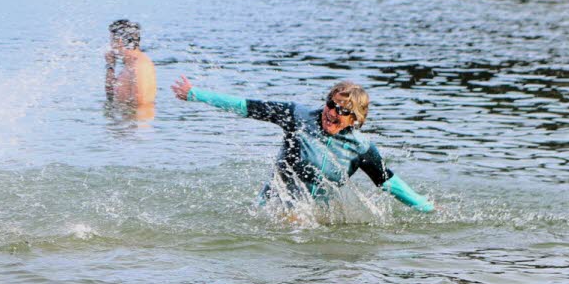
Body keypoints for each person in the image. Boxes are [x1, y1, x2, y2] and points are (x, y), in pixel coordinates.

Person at [171, 76, 434, 213]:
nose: (332, 112)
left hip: (319, 214)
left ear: (355, 119)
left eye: (342, 111)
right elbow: (246, 106)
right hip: (274, 207)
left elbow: (388, 182)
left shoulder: (360, 147)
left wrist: (427, 207)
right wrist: (196, 94)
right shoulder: (297, 116)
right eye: (330, 104)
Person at [105, 20, 157, 117]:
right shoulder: (129, 65)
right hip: (126, 122)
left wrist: (129, 125)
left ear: (119, 41)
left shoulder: (140, 66)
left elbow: (141, 103)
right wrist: (110, 66)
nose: (111, 46)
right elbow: (110, 97)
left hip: (136, 124)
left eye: (111, 41)